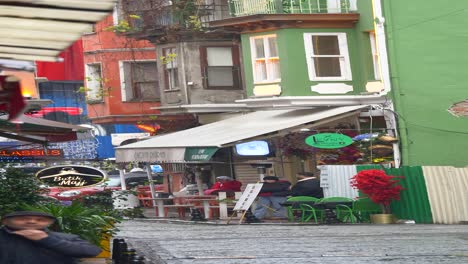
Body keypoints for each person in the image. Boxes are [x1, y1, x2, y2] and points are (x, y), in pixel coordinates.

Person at [0, 210, 102, 264]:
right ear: (5, 221)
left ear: (49, 223)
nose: (32, 221)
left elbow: (92, 251)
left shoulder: (65, 238)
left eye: (40, 220)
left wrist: (47, 240)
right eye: (23, 218)